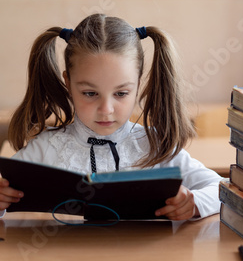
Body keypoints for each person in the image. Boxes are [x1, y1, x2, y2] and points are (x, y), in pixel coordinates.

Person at [0, 14, 221, 220]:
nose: (106, 109)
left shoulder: (157, 147)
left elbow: (221, 188)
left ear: (138, 82)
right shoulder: (45, 148)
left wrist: (195, 203)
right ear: (68, 83)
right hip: (65, 260)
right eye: (90, 93)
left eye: (121, 93)